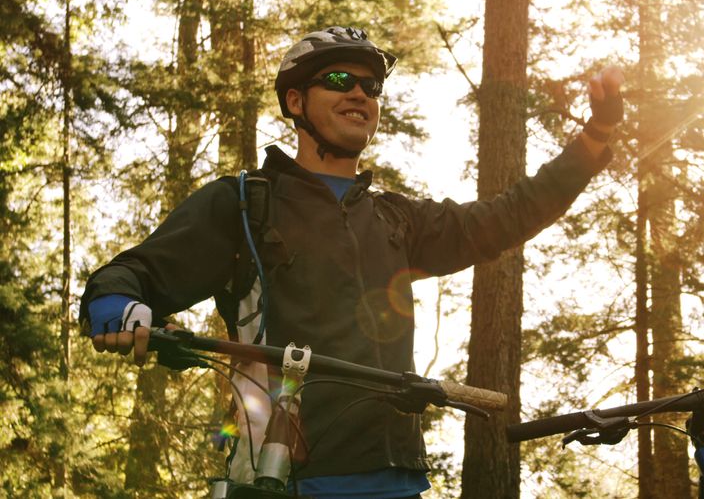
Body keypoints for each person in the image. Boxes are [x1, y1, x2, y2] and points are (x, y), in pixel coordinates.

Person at [78, 26, 624, 498]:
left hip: (397, 479)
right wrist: (116, 303)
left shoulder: (395, 219)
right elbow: (134, 273)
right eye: (339, 81)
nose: (360, 93)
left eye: (371, 86)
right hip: (279, 476)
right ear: (295, 102)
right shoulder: (245, 204)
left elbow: (506, 217)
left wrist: (593, 140)